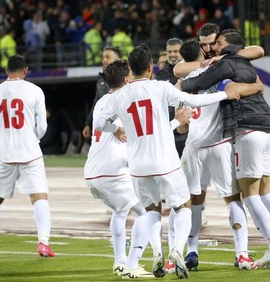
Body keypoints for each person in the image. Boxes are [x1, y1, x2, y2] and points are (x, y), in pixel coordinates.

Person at [94, 44, 241, 279]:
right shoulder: (160, 87)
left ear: (130, 69)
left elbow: (100, 123)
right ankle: (176, 250)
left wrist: (117, 128)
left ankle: (155, 253)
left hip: (138, 166)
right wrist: (225, 94)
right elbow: (191, 101)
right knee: (182, 206)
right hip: (165, 161)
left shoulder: (118, 95)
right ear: (151, 67)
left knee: (150, 211)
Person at [180, 30, 270, 268]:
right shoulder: (244, 65)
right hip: (263, 128)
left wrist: (182, 84)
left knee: (244, 195)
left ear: (221, 44)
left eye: (215, 43)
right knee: (264, 191)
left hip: (239, 133)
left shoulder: (222, 66)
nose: (212, 48)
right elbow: (252, 60)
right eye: (206, 45)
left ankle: (269, 248)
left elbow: (194, 81)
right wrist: (255, 86)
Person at [84, 59, 191, 277]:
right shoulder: (121, 101)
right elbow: (144, 136)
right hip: (112, 170)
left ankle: (119, 261)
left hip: (93, 171)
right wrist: (174, 123)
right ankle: (132, 264)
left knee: (121, 210)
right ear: (126, 79)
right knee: (145, 212)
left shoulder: (105, 102)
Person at [175, 38, 263, 271]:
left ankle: (191, 252)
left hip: (193, 147)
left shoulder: (181, 82)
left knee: (192, 202)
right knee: (233, 199)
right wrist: (255, 86)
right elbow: (234, 91)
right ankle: (242, 253)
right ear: (203, 54)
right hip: (219, 144)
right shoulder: (217, 73)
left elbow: (182, 127)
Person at [0, 55, 54, 258]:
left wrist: (6, 140)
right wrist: (29, 138)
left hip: (5, 153)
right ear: (25, 70)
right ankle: (43, 242)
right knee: (39, 196)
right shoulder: (36, 91)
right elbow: (42, 127)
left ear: (6, 70)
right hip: (30, 152)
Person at [173, 23, 265, 79]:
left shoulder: (227, 51)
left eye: (212, 43)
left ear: (219, 41)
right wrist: (209, 63)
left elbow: (259, 51)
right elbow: (178, 70)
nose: (208, 49)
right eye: (204, 45)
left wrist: (222, 58)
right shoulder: (198, 55)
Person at [155, 38, 187, 157]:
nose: (172, 55)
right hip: (167, 131)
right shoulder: (159, 76)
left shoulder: (190, 72)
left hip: (186, 130)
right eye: (169, 52)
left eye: (176, 51)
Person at [81, 47, 122, 140]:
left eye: (108, 57)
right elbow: (96, 102)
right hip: (104, 124)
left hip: (118, 124)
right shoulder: (101, 80)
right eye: (103, 57)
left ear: (117, 60)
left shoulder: (124, 80)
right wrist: (88, 123)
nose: (104, 60)